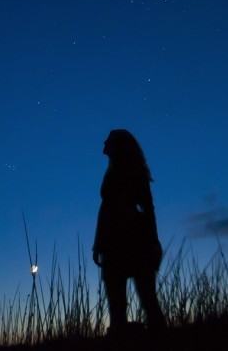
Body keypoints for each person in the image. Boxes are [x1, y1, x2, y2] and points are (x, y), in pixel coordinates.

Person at [92, 129, 167, 333]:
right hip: (115, 240)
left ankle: (161, 341)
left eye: (108, 139)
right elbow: (106, 209)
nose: (104, 142)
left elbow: (148, 208)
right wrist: (98, 243)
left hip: (132, 240)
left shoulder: (134, 171)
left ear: (118, 145)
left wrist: (152, 241)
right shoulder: (114, 171)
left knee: (146, 299)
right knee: (120, 303)